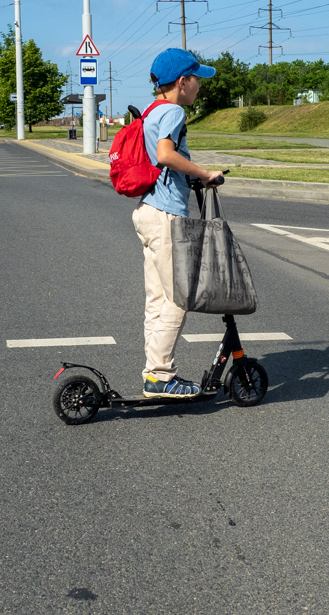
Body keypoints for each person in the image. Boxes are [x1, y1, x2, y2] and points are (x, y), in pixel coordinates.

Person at [134, 48, 225, 398]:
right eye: (196, 78)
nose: (200, 85)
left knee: (157, 300)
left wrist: (190, 179)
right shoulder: (172, 110)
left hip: (148, 212)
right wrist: (205, 173)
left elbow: (161, 163)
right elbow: (165, 155)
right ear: (182, 81)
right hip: (166, 216)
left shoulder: (151, 111)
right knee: (178, 299)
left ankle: (153, 372)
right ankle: (159, 375)